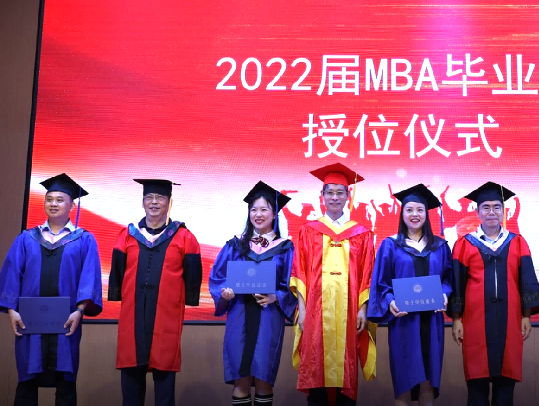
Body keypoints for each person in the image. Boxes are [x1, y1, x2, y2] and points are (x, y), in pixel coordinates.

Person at [0, 173, 103, 406]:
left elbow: (89, 277)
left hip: (67, 321)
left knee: (65, 384)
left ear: (72, 205)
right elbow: (11, 274)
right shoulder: (27, 239)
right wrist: (11, 310)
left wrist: (80, 311)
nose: (53, 203)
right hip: (29, 321)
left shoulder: (83, 240)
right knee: (27, 383)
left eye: (60, 199)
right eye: (49, 199)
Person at [108, 179, 203, 406]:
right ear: (142, 202)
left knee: (164, 382)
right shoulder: (127, 235)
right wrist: (116, 293)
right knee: (131, 379)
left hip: (166, 317)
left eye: (160, 198)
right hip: (132, 315)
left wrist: (191, 298)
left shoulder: (184, 237)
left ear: (169, 202)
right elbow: (118, 272)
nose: (154, 202)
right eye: (149, 198)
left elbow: (193, 274)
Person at [290, 162, 376, 406]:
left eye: (340, 192)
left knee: (345, 365)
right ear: (322, 196)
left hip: (350, 312)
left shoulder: (362, 233)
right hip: (315, 311)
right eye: (330, 192)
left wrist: (363, 309)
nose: (335, 197)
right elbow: (300, 271)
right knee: (316, 363)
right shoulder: (308, 231)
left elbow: (368, 273)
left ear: (348, 196)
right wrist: (302, 310)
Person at [450, 182, 539, 406]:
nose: (491, 212)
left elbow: (527, 281)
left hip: (510, 320)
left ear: (504, 211)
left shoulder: (518, 242)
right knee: (477, 385)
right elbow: (457, 283)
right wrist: (456, 319)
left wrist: (527, 316)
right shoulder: (464, 244)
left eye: (496, 207)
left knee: (505, 386)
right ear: (477, 211)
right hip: (475, 320)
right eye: (486, 207)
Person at [209, 181, 298, 406]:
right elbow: (218, 277)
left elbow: (292, 284)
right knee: (240, 378)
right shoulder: (235, 245)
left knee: (263, 377)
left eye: (264, 209)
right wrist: (224, 292)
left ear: (274, 214)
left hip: (269, 316)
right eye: (254, 210)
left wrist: (276, 296)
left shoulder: (285, 248)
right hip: (239, 314)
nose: (258, 215)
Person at [368, 184, 453, 406]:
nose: (414, 214)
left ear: (426, 214)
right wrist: (390, 301)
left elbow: (448, 279)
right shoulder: (390, 245)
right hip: (403, 321)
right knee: (404, 379)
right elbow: (381, 283)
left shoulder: (440, 246)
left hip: (431, 321)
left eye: (419, 210)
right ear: (402, 213)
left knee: (428, 379)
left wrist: (445, 294)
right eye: (409, 210)